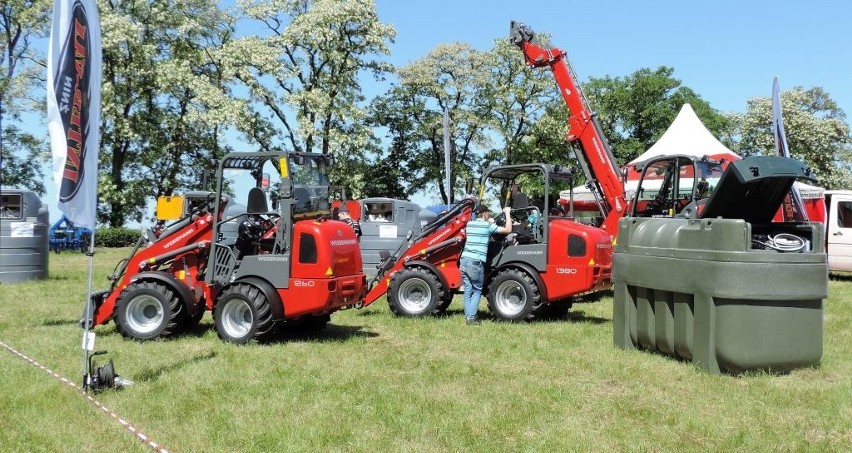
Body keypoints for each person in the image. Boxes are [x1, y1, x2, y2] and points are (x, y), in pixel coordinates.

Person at [460, 205, 513, 325]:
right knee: (478, 290)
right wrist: (507, 213)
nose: (489, 215)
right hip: (476, 261)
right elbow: (508, 230)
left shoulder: (469, 225)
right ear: (484, 214)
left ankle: (468, 316)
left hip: (464, 260)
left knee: (468, 289)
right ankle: (472, 319)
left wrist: (490, 221)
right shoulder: (487, 226)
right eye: (488, 213)